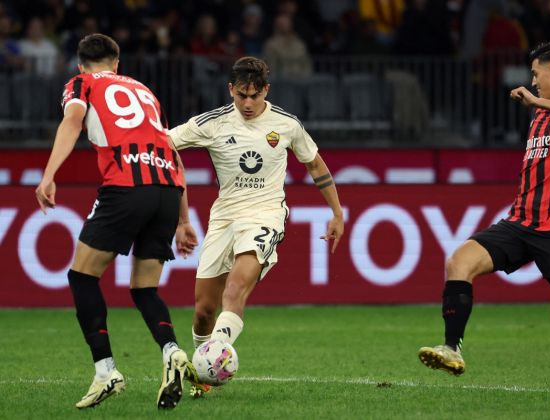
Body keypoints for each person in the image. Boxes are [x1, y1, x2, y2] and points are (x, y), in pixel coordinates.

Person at [418, 42, 550, 406]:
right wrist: (537, 108)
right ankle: (451, 348)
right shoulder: (539, 119)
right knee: (459, 262)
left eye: (535, 74)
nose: (532, 82)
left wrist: (538, 102)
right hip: (519, 221)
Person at [34, 33, 197, 410]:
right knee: (144, 289)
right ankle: (171, 350)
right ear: (117, 63)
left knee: (82, 276)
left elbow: (72, 122)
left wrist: (48, 175)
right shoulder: (146, 92)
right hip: (167, 190)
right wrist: (184, 219)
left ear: (80, 65)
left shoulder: (81, 84)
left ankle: (106, 371)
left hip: (125, 185)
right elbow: (172, 151)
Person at [168, 56, 344, 396]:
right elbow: (163, 145)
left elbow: (315, 164)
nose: (248, 104)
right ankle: (205, 370)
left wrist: (336, 213)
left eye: (255, 95)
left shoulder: (287, 124)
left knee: (234, 290)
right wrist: (182, 217)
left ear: (266, 90)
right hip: (223, 218)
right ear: (230, 90)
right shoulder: (213, 123)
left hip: (265, 214)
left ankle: (212, 363)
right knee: (204, 310)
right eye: (241, 96)